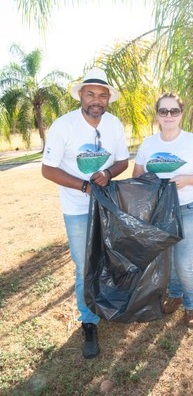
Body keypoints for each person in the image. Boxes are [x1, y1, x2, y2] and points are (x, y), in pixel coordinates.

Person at [42, 67, 129, 358]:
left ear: (108, 99)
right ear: (80, 94)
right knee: (84, 265)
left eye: (102, 95)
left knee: (110, 258)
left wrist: (106, 172)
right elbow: (47, 169)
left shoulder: (114, 124)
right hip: (77, 208)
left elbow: (122, 162)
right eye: (90, 93)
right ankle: (89, 322)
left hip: (107, 205)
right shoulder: (63, 125)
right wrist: (84, 186)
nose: (96, 100)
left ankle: (108, 304)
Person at [132, 92, 193, 327]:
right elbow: (137, 175)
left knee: (183, 262)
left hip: (190, 209)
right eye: (163, 111)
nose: (168, 115)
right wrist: (153, 185)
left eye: (174, 111)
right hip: (161, 212)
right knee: (167, 258)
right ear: (157, 114)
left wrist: (187, 179)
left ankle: (191, 304)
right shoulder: (149, 144)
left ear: (181, 114)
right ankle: (175, 294)